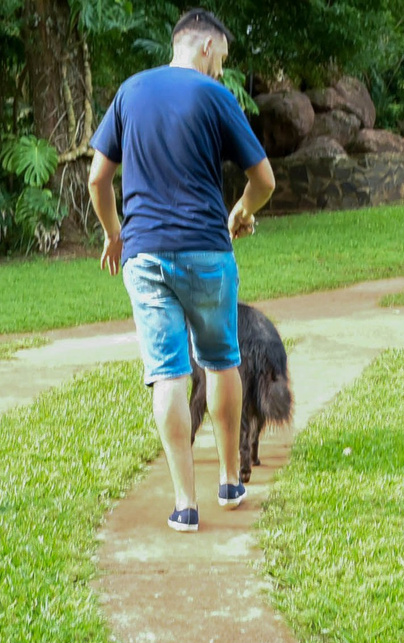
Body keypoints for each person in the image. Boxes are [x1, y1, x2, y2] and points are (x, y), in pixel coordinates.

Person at [87, 8, 275, 534]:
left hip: (143, 256)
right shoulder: (215, 96)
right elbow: (264, 179)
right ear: (208, 49)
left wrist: (113, 232)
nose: (221, 72)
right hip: (206, 252)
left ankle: (184, 504)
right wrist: (242, 212)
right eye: (223, 60)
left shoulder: (129, 92)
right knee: (220, 360)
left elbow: (98, 179)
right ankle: (230, 481)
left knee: (168, 372)